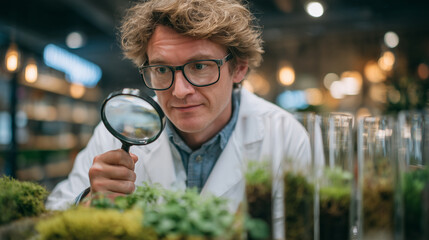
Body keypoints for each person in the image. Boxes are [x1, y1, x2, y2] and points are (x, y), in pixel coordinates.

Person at [46, 0, 310, 237]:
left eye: (199, 66)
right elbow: (53, 214)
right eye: (161, 69)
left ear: (238, 68)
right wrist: (90, 202)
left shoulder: (284, 135)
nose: (180, 91)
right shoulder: (117, 131)